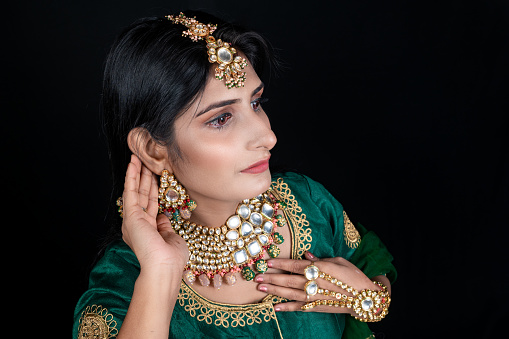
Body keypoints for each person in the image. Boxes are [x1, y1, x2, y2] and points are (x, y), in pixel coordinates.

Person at [73, 10, 396, 339]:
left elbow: (372, 264)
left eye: (256, 103)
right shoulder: (124, 279)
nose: (268, 137)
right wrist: (160, 273)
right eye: (221, 119)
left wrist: (368, 298)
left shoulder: (308, 202)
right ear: (155, 149)